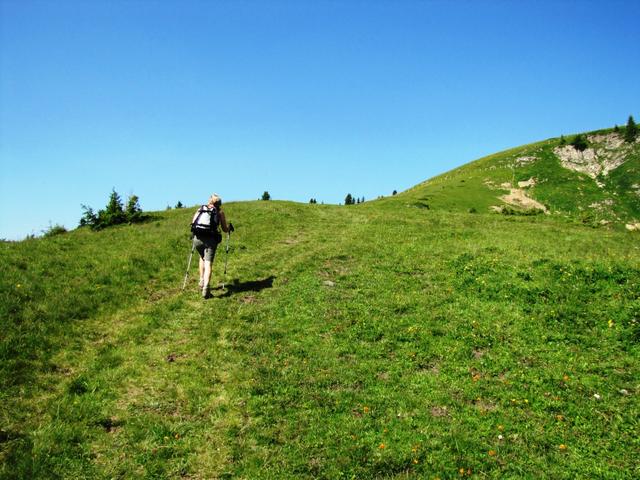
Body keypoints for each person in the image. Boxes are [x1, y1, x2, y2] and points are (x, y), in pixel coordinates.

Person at [191, 193, 233, 298]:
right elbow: (224, 229)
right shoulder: (219, 212)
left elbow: (193, 222)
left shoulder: (200, 209)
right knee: (208, 263)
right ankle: (206, 288)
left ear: (210, 201)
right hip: (210, 240)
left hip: (197, 239)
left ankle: (201, 281)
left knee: (202, 257)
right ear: (219, 203)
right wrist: (229, 229)